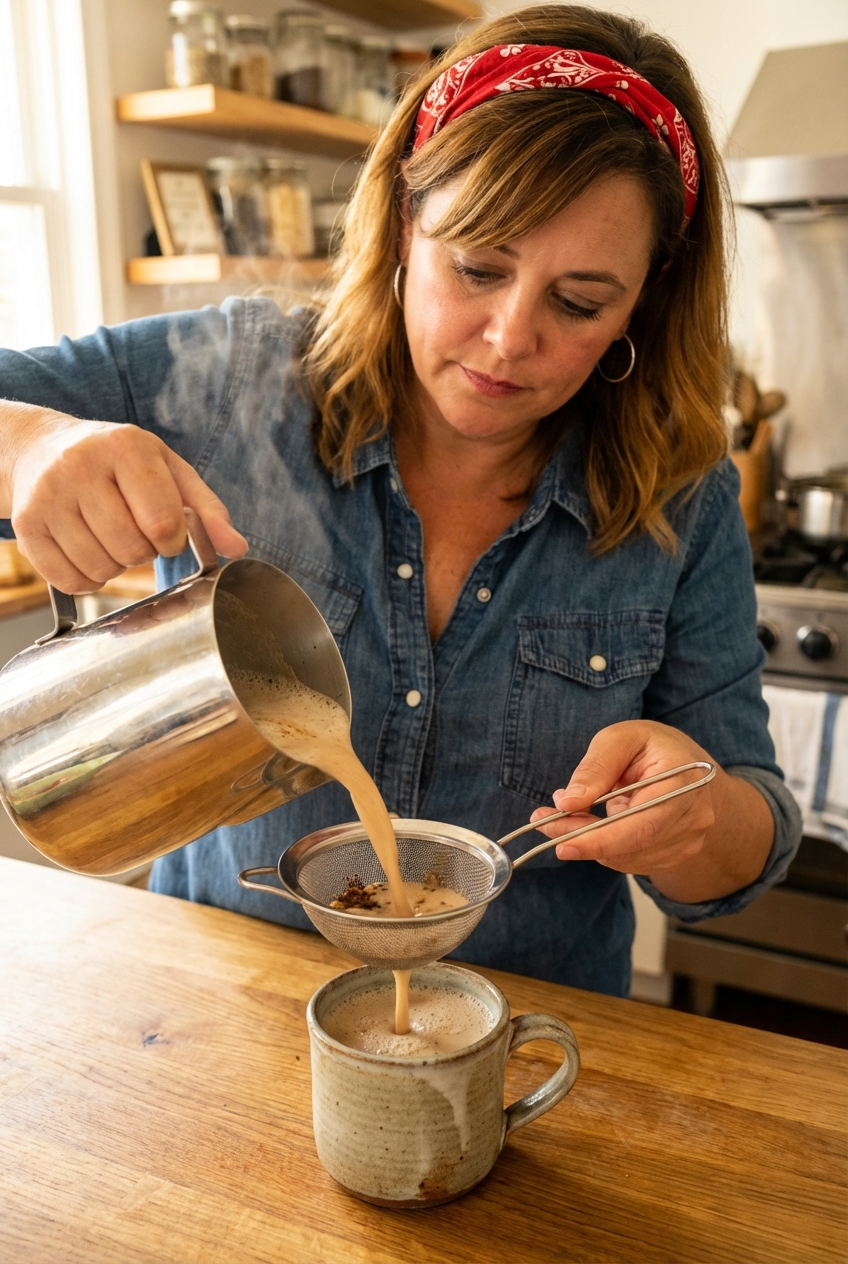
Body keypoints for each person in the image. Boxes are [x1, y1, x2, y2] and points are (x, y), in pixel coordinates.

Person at [0, 5, 800, 996]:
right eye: (476, 267)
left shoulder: (681, 496)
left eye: (579, 300)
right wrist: (25, 442)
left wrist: (699, 818)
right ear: (400, 226)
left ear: (644, 299)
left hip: (520, 1042)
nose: (509, 338)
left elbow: (743, 849)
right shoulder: (234, 378)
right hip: (214, 1022)